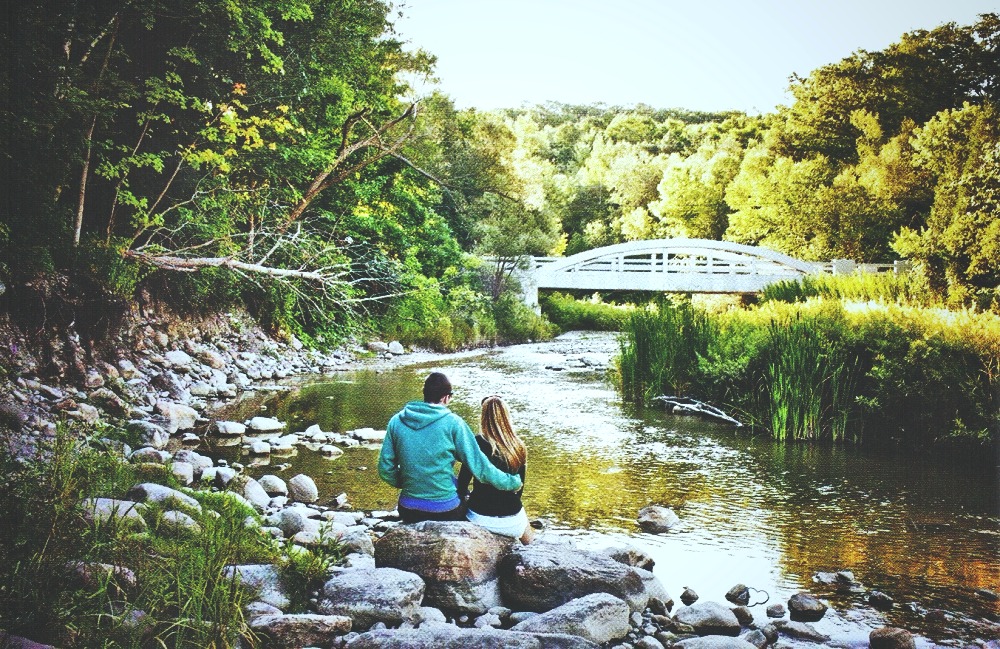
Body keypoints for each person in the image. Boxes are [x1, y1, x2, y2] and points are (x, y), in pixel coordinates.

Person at [378, 372, 523, 524]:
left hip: (408, 509)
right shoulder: (454, 423)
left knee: (456, 485)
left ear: (425, 394)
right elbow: (481, 468)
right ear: (446, 397)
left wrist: (410, 482)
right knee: (466, 501)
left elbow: (385, 469)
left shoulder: (396, 421)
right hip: (445, 511)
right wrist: (512, 482)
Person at [458, 395, 534, 544]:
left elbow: (462, 485)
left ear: (483, 417)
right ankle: (532, 549)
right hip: (513, 523)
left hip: (481, 519)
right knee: (523, 521)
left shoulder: (476, 443)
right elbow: (519, 492)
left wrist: (467, 497)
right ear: (507, 416)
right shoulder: (518, 446)